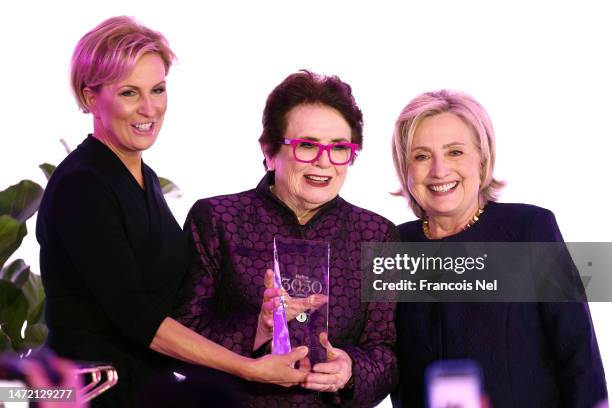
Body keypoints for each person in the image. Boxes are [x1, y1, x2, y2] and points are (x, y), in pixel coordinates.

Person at [36, 16, 308, 407]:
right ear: (90, 96)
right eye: (130, 92)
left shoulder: (139, 175)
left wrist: (262, 322)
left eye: (158, 89)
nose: (149, 108)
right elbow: (139, 319)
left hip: (141, 387)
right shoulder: (83, 185)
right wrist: (250, 368)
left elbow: (173, 301)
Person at [173, 70, 398, 407]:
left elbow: (387, 351)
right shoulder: (217, 219)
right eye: (307, 145)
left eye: (339, 148)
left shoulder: (377, 235)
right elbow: (180, 335)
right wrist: (259, 329)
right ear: (269, 150)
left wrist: (350, 369)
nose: (324, 162)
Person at [389, 89, 608, 407]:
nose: (439, 170)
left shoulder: (528, 229)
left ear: (482, 158)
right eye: (421, 156)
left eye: (455, 152)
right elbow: (379, 357)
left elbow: (578, 356)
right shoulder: (393, 246)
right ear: (404, 168)